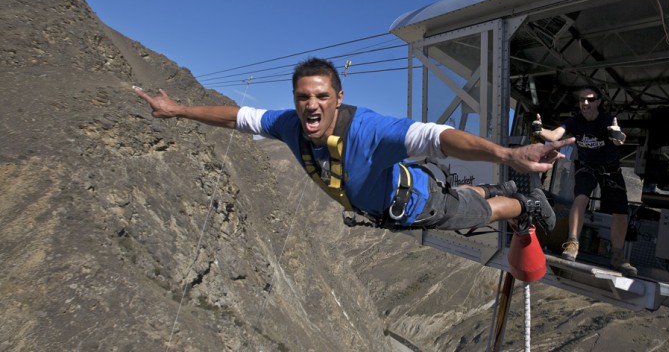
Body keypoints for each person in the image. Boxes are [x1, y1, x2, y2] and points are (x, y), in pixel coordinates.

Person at [133, 57, 573, 233]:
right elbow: (235, 117)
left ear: (338, 99)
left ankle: (521, 204)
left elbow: (435, 137)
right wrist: (178, 110)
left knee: (474, 211)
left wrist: (507, 155)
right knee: (460, 193)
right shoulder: (286, 124)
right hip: (406, 187)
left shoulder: (369, 130)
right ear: (294, 100)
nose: (311, 105)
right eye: (304, 97)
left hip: (417, 204)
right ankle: (501, 191)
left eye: (322, 96)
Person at [533, 86, 637, 276]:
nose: (585, 103)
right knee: (581, 198)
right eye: (582, 100)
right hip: (587, 165)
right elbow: (555, 135)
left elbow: (619, 138)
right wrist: (540, 130)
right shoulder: (575, 121)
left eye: (590, 99)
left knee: (621, 213)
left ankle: (618, 256)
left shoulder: (607, 121)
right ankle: (572, 243)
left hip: (610, 169)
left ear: (598, 102)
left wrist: (617, 136)